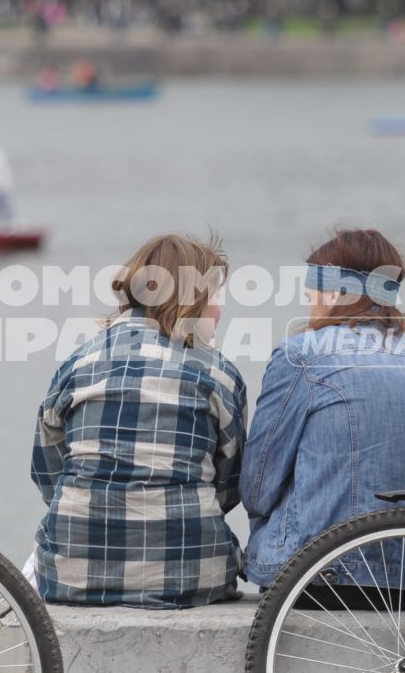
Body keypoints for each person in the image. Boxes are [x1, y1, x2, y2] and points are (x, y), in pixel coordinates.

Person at [30, 232, 247, 607]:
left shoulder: (78, 364)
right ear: (190, 300)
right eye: (213, 296)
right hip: (193, 573)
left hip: (72, 575)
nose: (219, 309)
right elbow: (232, 482)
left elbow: (48, 470)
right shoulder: (220, 374)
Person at [241, 228, 405, 591]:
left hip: (323, 577)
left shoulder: (301, 355)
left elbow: (257, 489)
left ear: (335, 292)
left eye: (312, 296)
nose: (311, 308)